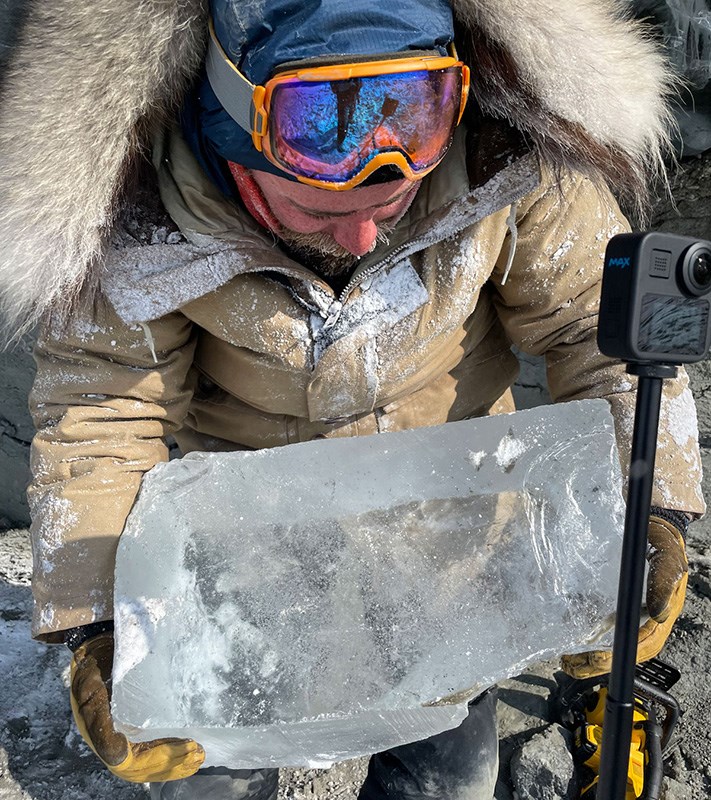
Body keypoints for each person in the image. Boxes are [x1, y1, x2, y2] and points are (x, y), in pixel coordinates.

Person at [0, 0, 705, 798]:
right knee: (213, 779)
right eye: (320, 211)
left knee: (446, 777)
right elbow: (103, 411)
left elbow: (596, 333)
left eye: (391, 203)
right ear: (232, 139)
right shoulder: (138, 216)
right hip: (238, 562)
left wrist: (652, 514)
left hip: (449, 545)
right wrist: (101, 627)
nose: (364, 239)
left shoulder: (505, 159)